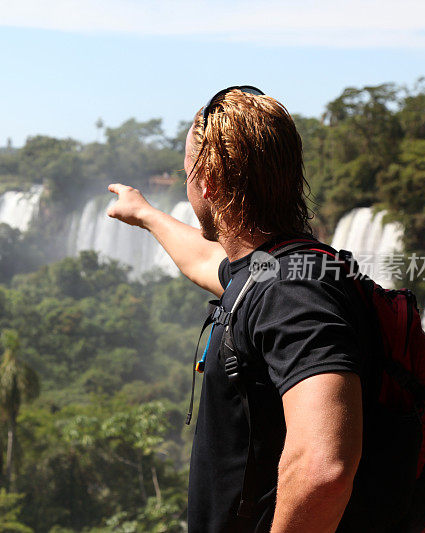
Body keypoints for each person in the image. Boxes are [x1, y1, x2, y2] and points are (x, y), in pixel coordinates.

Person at [106, 87, 365, 533]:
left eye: (186, 173)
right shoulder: (274, 267)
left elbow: (325, 466)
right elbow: (206, 261)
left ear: (205, 181)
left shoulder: (292, 291)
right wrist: (145, 213)